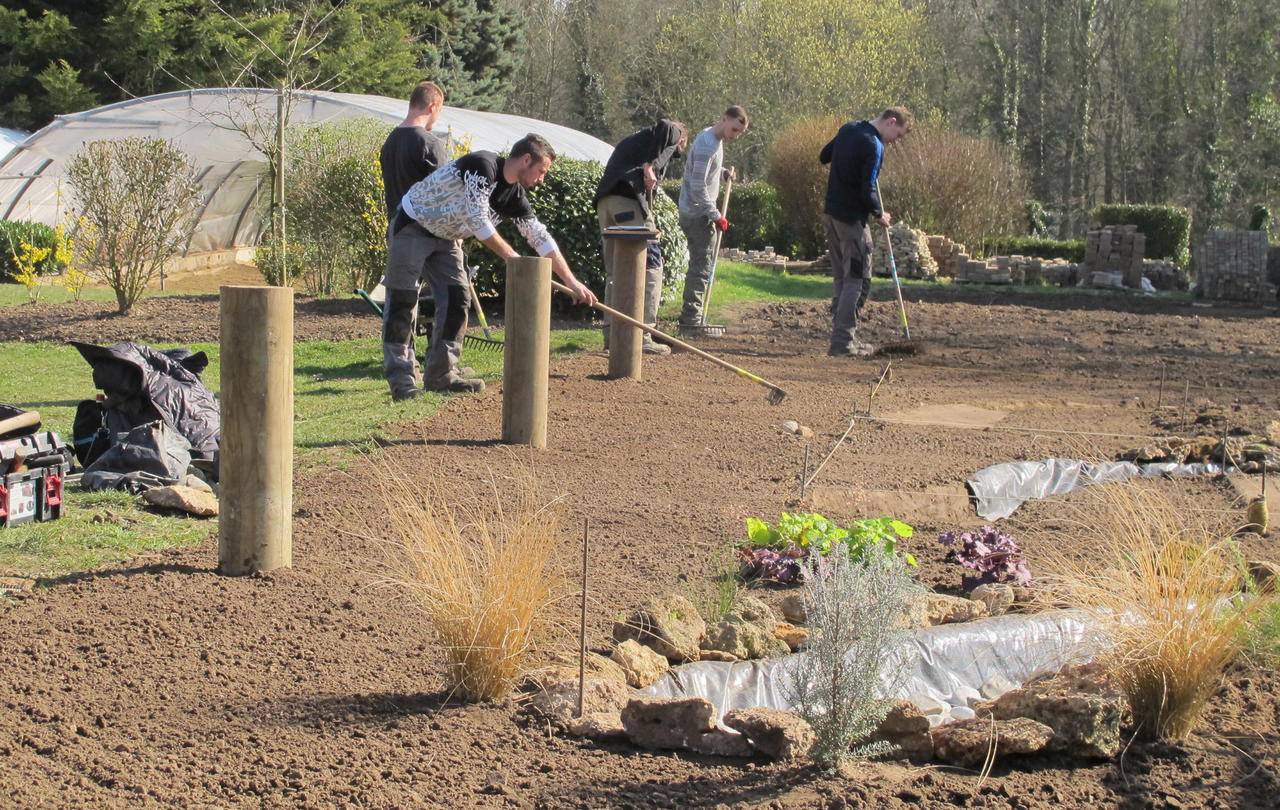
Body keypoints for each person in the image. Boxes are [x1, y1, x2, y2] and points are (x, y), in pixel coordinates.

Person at [385, 133, 597, 398]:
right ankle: (402, 382)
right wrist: (514, 260)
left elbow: (539, 237)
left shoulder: (515, 197)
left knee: (457, 299)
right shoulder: (482, 166)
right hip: (413, 225)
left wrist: (572, 281)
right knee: (403, 299)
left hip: (447, 239)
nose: (542, 179)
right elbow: (478, 220)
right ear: (526, 160)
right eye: (541, 171)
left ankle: (441, 375)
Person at [818, 106, 912, 357]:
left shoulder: (848, 129)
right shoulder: (874, 145)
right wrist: (879, 213)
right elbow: (867, 188)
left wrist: (848, 159)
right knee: (858, 280)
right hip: (851, 220)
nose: (894, 142)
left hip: (830, 214)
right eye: (898, 135)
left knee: (841, 277)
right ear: (891, 122)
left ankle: (840, 337)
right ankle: (843, 342)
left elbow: (824, 156)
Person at [594, 118, 687, 355]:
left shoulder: (637, 141)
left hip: (606, 203)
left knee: (616, 270)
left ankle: (611, 337)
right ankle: (643, 334)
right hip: (627, 201)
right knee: (650, 264)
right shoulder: (671, 132)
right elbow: (667, 126)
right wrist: (651, 165)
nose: (677, 152)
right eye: (678, 150)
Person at [378, 81, 447, 398]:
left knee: (401, 304)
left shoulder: (390, 142)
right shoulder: (428, 143)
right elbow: (447, 193)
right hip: (429, 233)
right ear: (432, 106)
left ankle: (403, 378)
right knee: (448, 299)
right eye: (439, 111)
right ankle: (442, 370)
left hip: (399, 229)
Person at [676, 105, 749, 333]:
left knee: (701, 265)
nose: (735, 136)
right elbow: (698, 187)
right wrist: (716, 215)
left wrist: (723, 172)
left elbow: (705, 172)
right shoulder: (708, 145)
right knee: (701, 266)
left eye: (739, 132)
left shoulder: (711, 137)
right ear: (724, 119)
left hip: (696, 211)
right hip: (697, 214)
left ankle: (693, 319)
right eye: (734, 129)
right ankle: (691, 322)